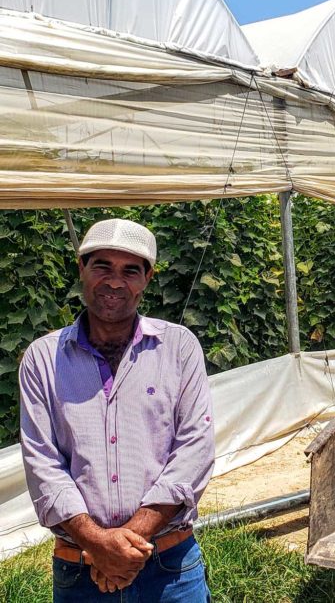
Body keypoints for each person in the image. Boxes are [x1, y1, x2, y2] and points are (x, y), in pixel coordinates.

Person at [19, 218, 215, 602]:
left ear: (147, 279)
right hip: (80, 568)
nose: (114, 281)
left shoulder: (179, 348)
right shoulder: (43, 358)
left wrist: (123, 546)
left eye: (129, 271)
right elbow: (42, 462)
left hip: (169, 566)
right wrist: (99, 544)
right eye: (102, 266)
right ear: (82, 269)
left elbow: (194, 450)